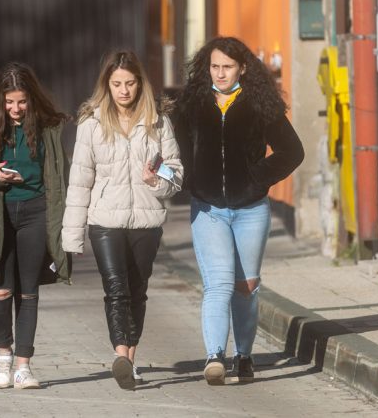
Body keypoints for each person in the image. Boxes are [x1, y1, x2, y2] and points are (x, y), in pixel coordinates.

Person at [174, 37, 304, 385]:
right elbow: (177, 149)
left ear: (242, 68)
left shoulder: (260, 104)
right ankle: (215, 355)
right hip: (208, 208)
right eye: (214, 66)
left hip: (251, 209)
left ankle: (243, 355)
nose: (220, 73)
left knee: (246, 286)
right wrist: (186, 179)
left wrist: (256, 177)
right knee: (217, 283)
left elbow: (292, 151)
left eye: (227, 67)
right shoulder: (192, 104)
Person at [62, 50, 183, 390]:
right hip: (105, 222)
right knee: (116, 289)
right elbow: (80, 181)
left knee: (137, 290)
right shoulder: (91, 124)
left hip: (146, 221)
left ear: (140, 84)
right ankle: (121, 356)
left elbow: (176, 175)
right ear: (107, 85)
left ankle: (130, 359)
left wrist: (156, 180)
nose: (124, 91)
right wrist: (72, 236)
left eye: (130, 83)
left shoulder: (158, 121)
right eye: (117, 84)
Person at [0, 62, 71, 390]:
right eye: (9, 102)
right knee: (2, 290)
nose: (16, 109)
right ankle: (3, 356)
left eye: (22, 101)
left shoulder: (49, 128)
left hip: (36, 213)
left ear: (32, 99)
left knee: (29, 292)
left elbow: (61, 175)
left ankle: (23, 366)